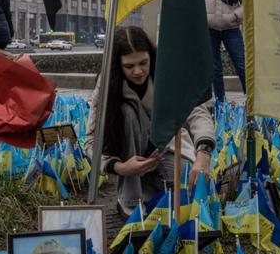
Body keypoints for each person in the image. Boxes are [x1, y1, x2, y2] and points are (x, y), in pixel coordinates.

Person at [84, 26, 215, 216]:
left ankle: (155, 191)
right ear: (117, 65)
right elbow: (90, 140)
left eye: (143, 63)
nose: (138, 71)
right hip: (130, 157)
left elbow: (197, 112)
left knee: (190, 192)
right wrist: (120, 167)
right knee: (126, 112)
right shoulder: (106, 86)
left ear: (151, 57)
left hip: (166, 148)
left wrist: (203, 154)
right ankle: (131, 202)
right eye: (129, 66)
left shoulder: (167, 73)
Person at [202, 0, 246, 101]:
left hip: (231, 28)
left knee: (241, 64)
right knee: (215, 69)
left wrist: (236, 16)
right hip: (210, 29)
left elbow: (247, 0)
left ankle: (252, 100)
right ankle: (220, 103)